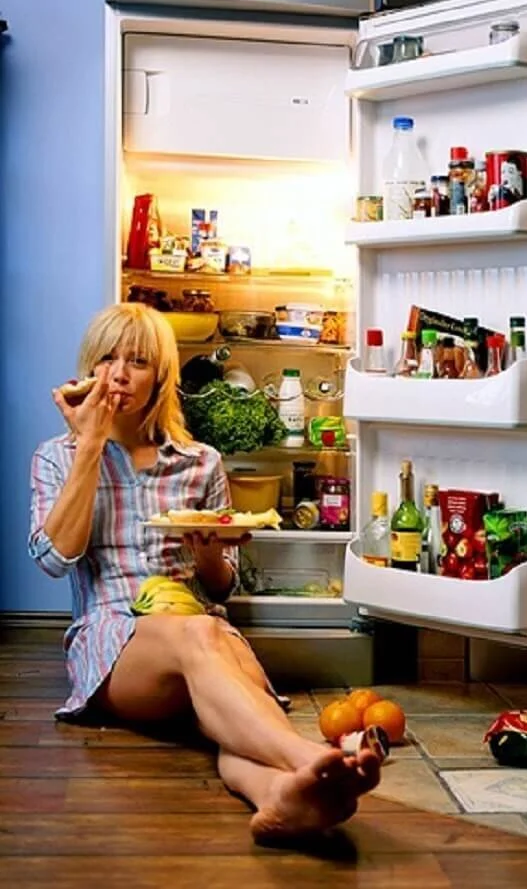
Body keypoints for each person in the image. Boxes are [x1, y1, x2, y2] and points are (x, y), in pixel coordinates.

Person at [28, 302, 382, 843]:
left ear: (160, 377)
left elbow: (223, 586)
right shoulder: (58, 456)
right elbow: (55, 559)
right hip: (113, 643)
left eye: (137, 362)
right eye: (106, 359)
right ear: (88, 368)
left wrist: (209, 554)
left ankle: (279, 797)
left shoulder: (200, 461)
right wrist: (91, 443)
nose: (119, 374)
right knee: (202, 635)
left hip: (203, 633)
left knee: (230, 705)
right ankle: (311, 756)